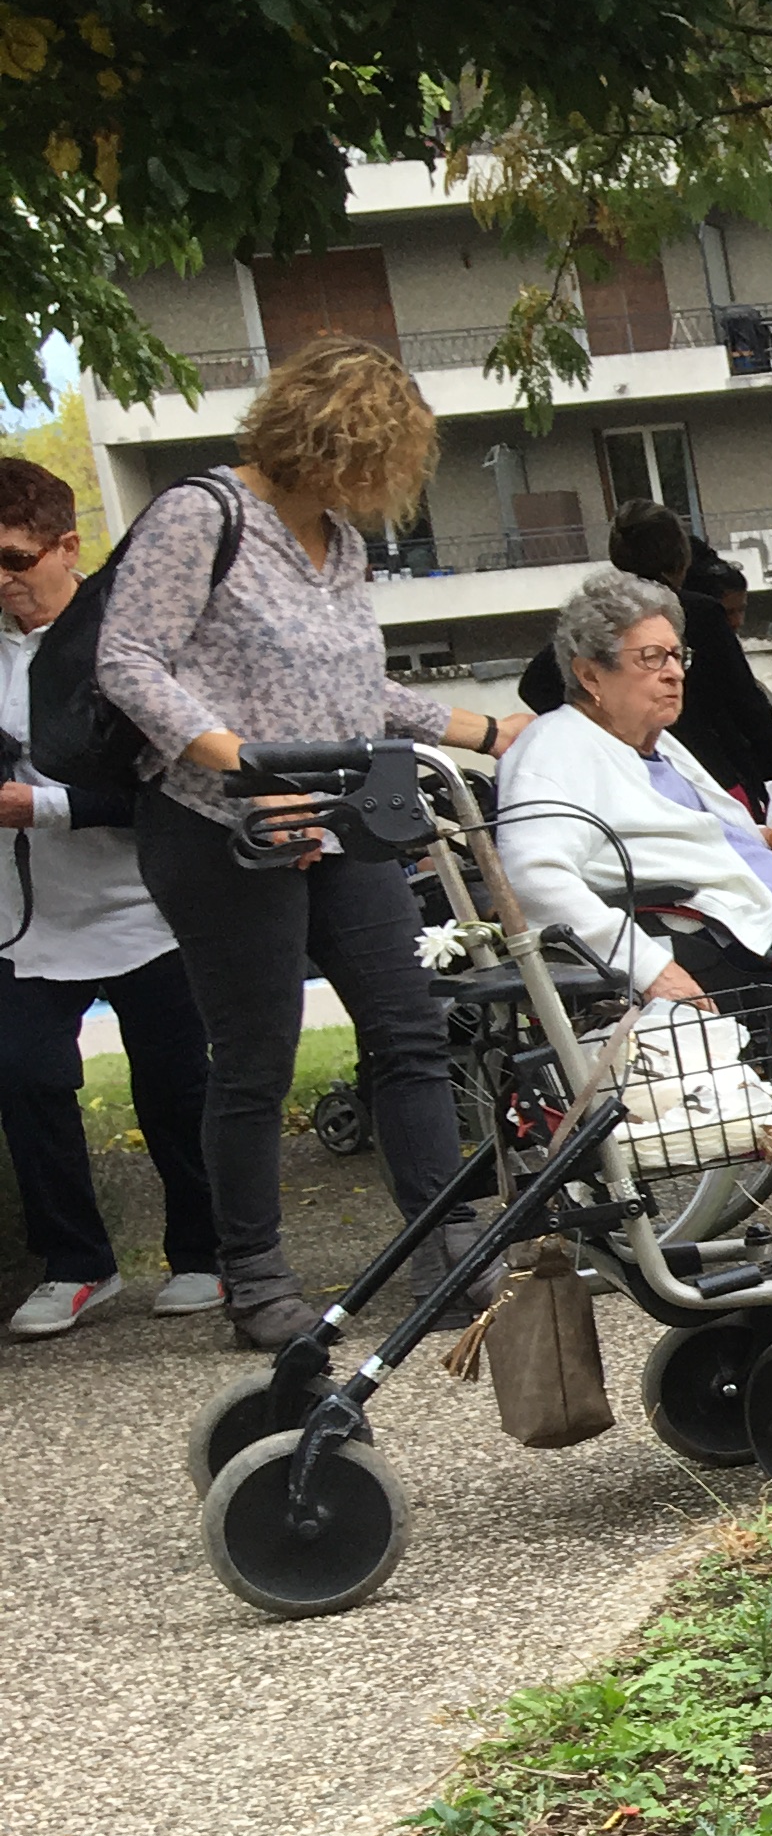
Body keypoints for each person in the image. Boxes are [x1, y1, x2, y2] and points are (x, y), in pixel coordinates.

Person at [88, 335, 523, 1350]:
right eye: (373, 462)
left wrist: (484, 730)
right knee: (255, 1056)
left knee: (411, 1033)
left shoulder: (342, 543)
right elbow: (128, 660)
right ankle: (254, 1273)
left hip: (339, 820)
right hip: (220, 826)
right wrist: (236, 757)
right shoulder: (205, 516)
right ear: (326, 441)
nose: (380, 487)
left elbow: (350, 689)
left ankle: (445, 1245)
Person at [494, 571, 772, 1018]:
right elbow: (532, 877)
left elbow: (678, 833)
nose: (673, 673)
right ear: (590, 674)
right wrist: (647, 966)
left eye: (677, 656)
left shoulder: (656, 742)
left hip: (769, 907)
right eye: (651, 658)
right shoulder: (556, 750)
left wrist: (763, 839)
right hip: (727, 930)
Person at [0, 458, 224, 1333]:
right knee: (24, 1079)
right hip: (28, 920)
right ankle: (76, 1262)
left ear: (68, 546)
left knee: (174, 1086)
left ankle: (202, 1252)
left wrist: (40, 805)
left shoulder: (123, 637)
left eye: (17, 560)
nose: (5, 581)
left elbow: (168, 785)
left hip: (145, 906)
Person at [518, 505, 772, 813]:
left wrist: (606, 723)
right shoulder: (700, 614)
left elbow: (536, 685)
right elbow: (746, 705)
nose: (673, 673)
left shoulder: (599, 620)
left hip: (633, 785)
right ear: (681, 556)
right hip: (711, 779)